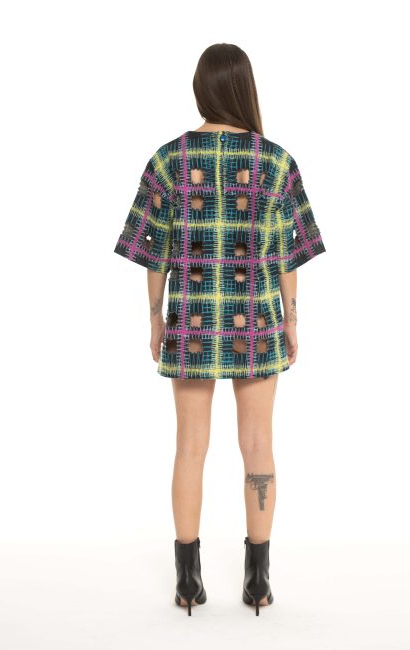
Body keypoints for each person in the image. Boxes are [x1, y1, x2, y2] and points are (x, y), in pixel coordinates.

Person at [113, 43, 326, 616]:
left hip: (191, 323)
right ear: (244, 88)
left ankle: (188, 581)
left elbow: (153, 253)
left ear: (200, 89)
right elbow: (288, 254)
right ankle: (258, 580)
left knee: (190, 447)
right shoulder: (277, 162)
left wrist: (155, 318)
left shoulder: (167, 161)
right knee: (258, 446)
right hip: (255, 323)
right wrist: (292, 321)